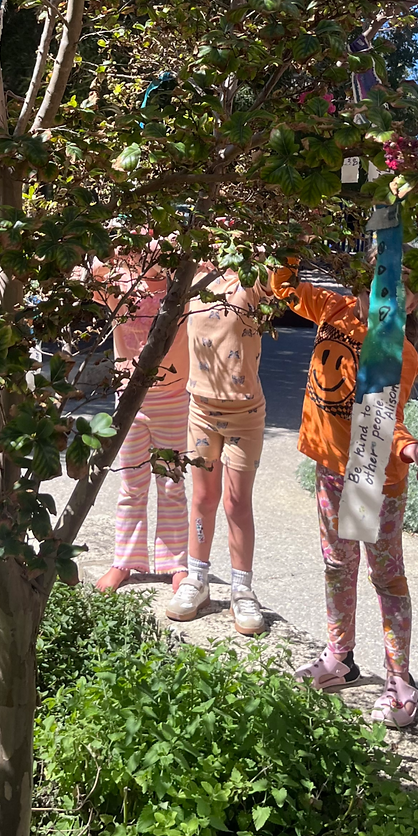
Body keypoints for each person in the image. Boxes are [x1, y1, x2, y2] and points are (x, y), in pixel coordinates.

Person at [272, 255, 418, 728]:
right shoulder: (334, 310)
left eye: (398, 293)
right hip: (331, 470)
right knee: (337, 564)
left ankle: (400, 679)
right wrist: (299, 240)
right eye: (375, 287)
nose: (383, 300)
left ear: (414, 302)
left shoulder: (399, 353)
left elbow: (384, 423)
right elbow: (283, 286)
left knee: (385, 577)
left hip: (372, 478)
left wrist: (413, 450)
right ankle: (341, 657)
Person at [165, 268, 271, 635]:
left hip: (245, 415)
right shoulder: (192, 272)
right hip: (201, 411)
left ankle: (242, 589)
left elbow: (288, 259)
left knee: (236, 503)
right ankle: (197, 579)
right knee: (203, 498)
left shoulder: (255, 276)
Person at [89, 243, 191, 593]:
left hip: (173, 397)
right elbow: (88, 280)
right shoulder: (120, 283)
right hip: (129, 400)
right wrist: (108, 259)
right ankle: (125, 561)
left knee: (171, 481)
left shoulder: (182, 285)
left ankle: (176, 564)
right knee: (131, 484)